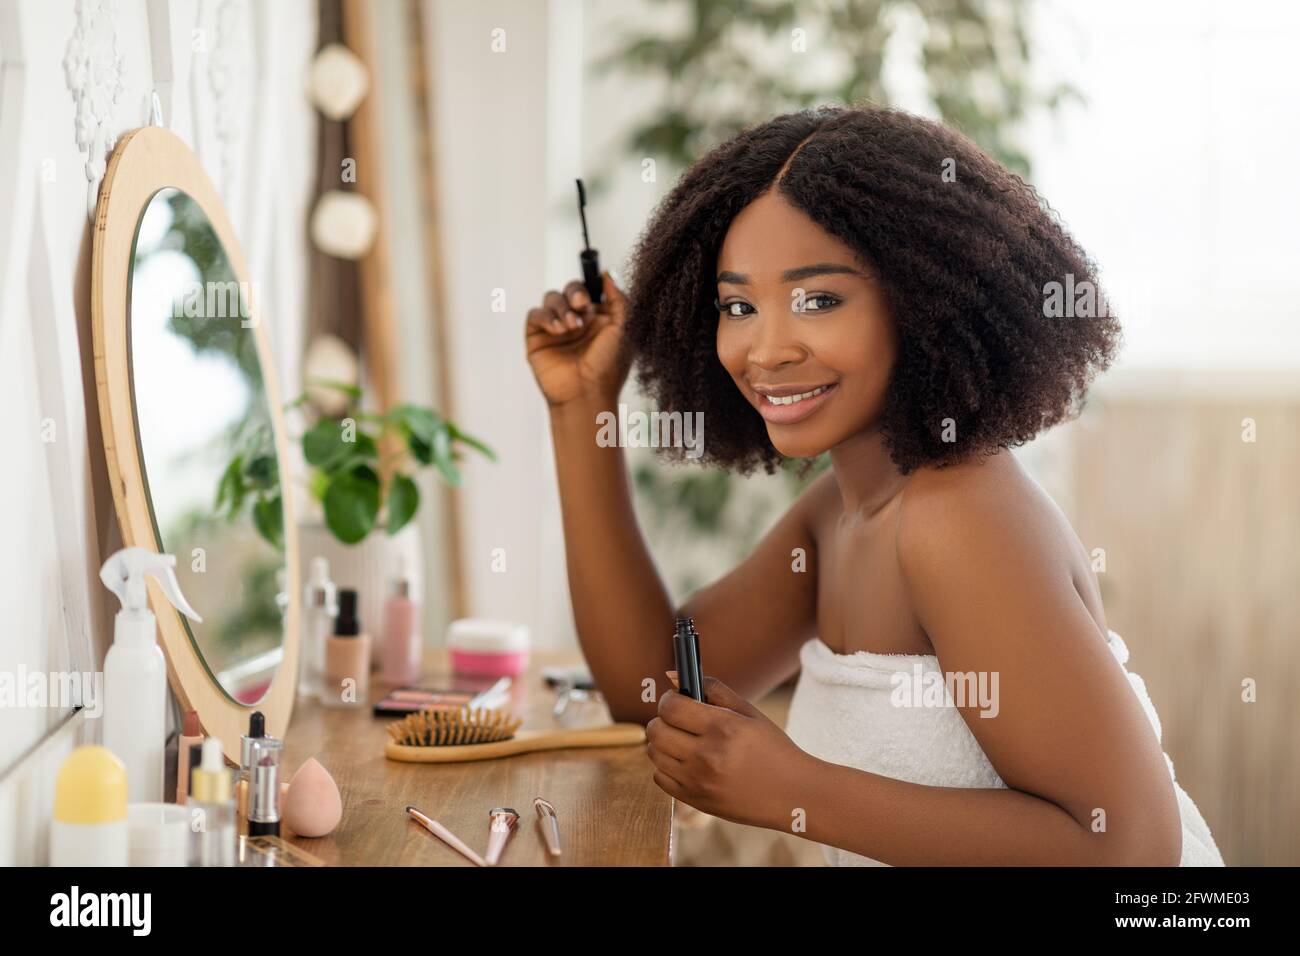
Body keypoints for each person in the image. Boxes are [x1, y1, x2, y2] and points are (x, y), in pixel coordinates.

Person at [523, 105, 1223, 866]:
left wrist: (792, 790)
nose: (767, 348)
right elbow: (650, 687)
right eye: (738, 306)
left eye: (818, 299)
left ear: (924, 299)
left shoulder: (959, 516)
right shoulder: (843, 513)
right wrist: (582, 405)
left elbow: (1131, 850)